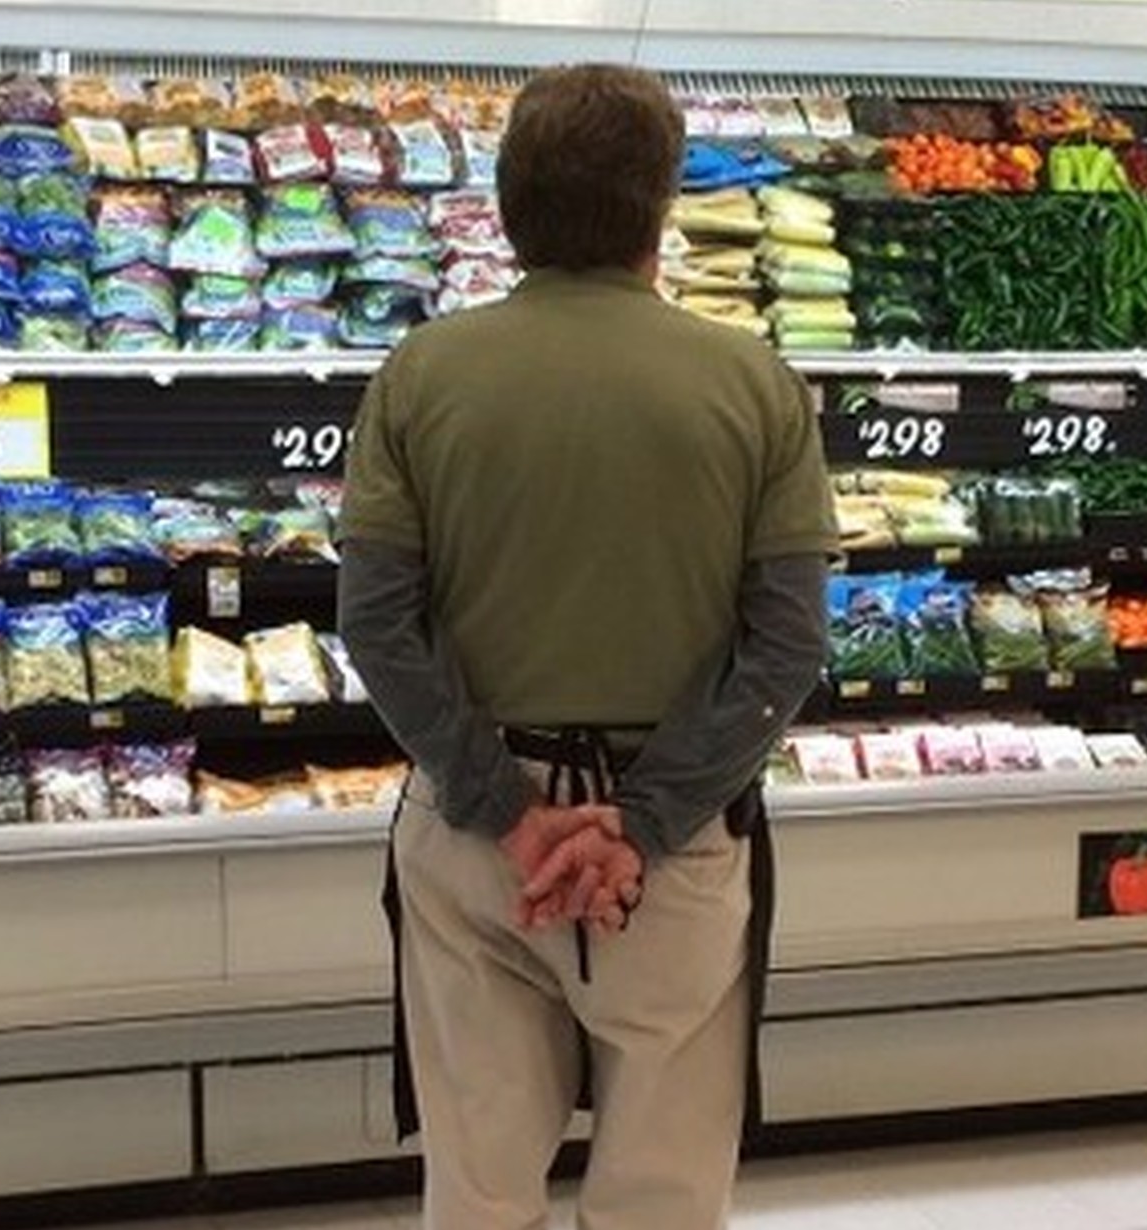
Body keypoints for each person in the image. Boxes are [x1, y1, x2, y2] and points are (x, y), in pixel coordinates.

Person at [336, 62, 834, 1230]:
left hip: (476, 841)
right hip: (675, 844)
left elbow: (376, 623)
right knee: (664, 1190)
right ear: (661, 203)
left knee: (479, 1185)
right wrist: (638, 824)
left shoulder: (419, 375)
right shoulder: (755, 385)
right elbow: (785, 646)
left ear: (509, 202)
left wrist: (508, 811)